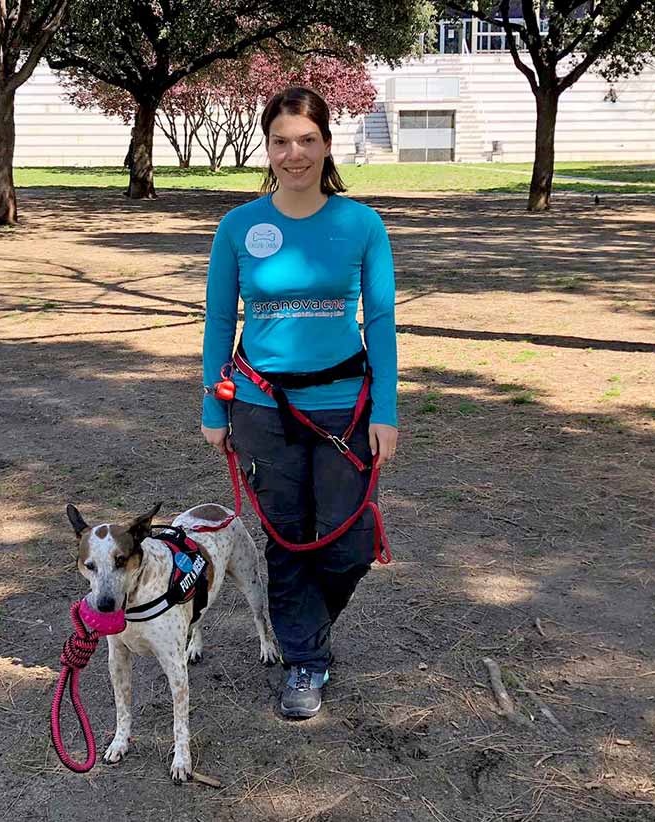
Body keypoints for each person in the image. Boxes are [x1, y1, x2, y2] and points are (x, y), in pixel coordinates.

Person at [201, 86, 397, 719]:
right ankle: (305, 660)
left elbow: (383, 323)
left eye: (307, 140)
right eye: (282, 141)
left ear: (327, 143)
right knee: (286, 540)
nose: (294, 153)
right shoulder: (239, 227)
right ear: (268, 147)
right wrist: (213, 408)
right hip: (260, 407)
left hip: (345, 409)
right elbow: (217, 323)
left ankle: (307, 628)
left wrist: (387, 410)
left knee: (349, 546)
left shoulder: (361, 225)